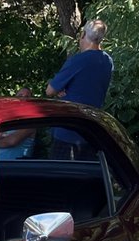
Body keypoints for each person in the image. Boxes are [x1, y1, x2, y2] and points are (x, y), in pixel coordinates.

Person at [46, 18, 113, 158]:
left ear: (83, 35)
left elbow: (50, 90)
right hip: (91, 128)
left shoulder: (78, 60)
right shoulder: (107, 61)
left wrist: (62, 89)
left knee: (60, 175)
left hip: (68, 128)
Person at [0, 87, 36, 160]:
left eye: (27, 97)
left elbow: (12, 141)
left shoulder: (31, 121)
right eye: (20, 96)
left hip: (17, 166)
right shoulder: (8, 119)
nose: (23, 99)